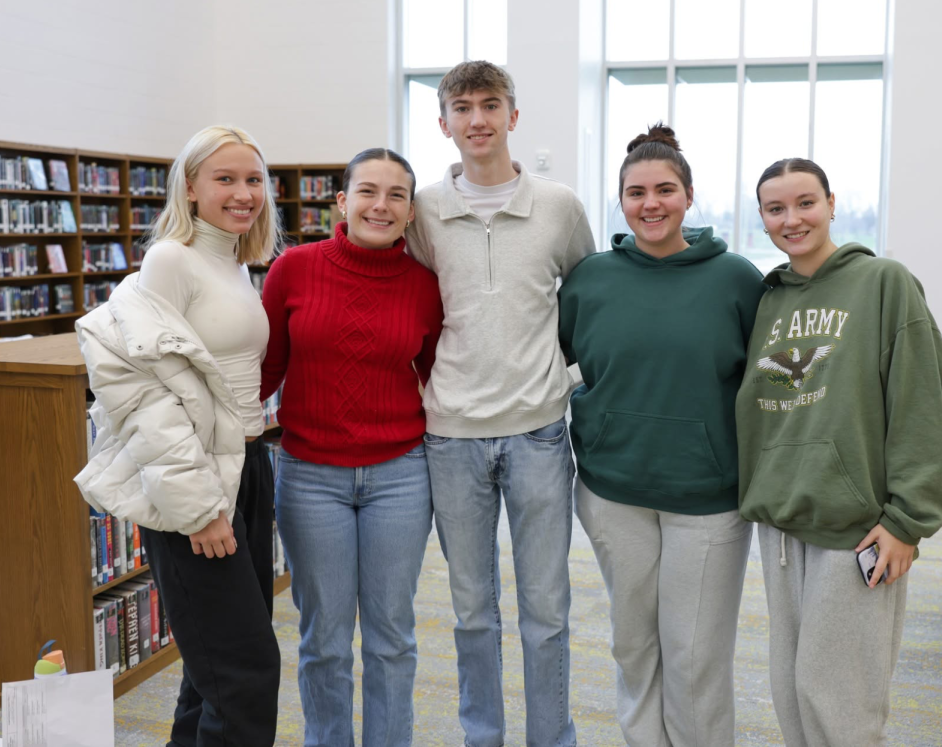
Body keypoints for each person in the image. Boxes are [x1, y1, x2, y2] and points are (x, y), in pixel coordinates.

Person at [736, 158, 942, 747]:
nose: (793, 218)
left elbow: (924, 406)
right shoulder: (768, 302)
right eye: (775, 208)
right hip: (783, 523)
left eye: (805, 202)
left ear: (832, 204)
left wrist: (908, 521)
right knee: (791, 694)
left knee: (840, 700)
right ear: (762, 220)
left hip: (857, 527)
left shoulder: (885, 282)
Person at [405, 60, 595, 747]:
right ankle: (480, 736)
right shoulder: (420, 210)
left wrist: (564, 380)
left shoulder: (560, 207)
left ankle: (553, 738)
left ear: (513, 116)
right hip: (450, 436)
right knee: (470, 611)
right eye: (463, 107)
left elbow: (585, 300)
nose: (477, 119)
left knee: (546, 611)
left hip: (540, 433)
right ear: (444, 123)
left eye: (491, 104)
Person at [74, 125, 283, 746]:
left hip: (245, 467)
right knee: (246, 673)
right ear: (189, 187)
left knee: (212, 670)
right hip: (194, 486)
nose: (243, 193)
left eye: (253, 179)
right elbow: (143, 394)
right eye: (225, 179)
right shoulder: (171, 259)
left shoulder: (236, 262)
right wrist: (197, 509)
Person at [558, 124, 766, 745]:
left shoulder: (736, 278)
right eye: (636, 192)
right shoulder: (590, 279)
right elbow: (550, 359)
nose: (651, 203)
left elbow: (766, 382)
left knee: (694, 655)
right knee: (633, 644)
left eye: (665, 190)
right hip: (611, 490)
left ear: (689, 195)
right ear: (620, 201)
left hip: (708, 496)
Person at [260, 149, 442, 746]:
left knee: (392, 635)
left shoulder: (424, 286)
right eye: (367, 191)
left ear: (411, 212)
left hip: (399, 475)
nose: (380, 205)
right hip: (311, 476)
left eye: (395, 195)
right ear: (341, 201)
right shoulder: (293, 269)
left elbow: (440, 375)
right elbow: (263, 373)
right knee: (325, 638)